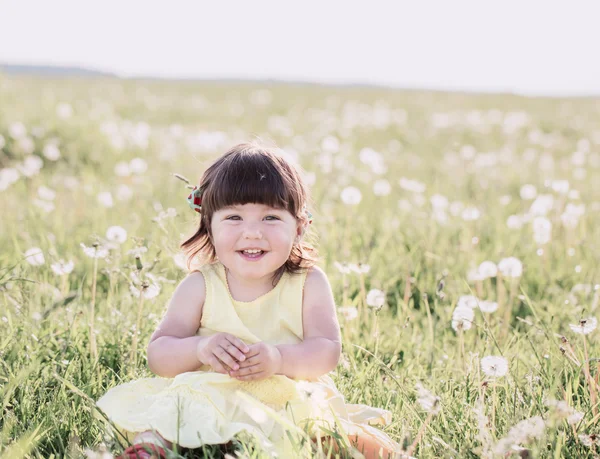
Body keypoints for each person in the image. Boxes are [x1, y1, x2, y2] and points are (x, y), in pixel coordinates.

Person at [96, 142, 401, 458]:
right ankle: (151, 450)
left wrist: (278, 359)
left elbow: (325, 351)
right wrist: (200, 348)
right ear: (209, 227)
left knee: (321, 428)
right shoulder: (200, 285)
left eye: (270, 218)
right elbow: (160, 355)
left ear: (299, 227)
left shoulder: (308, 282)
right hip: (210, 394)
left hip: (283, 395)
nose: (252, 232)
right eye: (234, 218)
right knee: (170, 415)